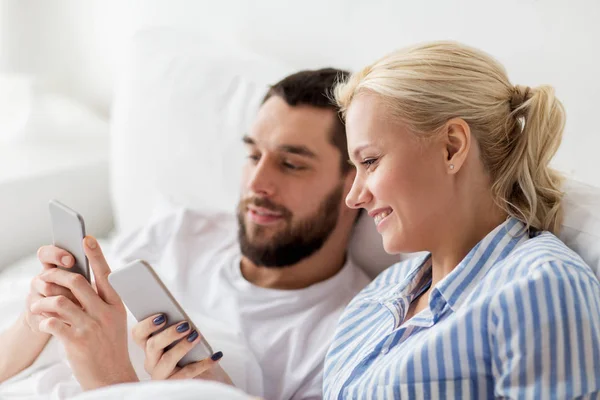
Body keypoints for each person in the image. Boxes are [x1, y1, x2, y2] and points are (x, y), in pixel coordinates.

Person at [0, 68, 370, 400]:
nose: (257, 184)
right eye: (254, 156)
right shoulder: (181, 232)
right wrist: (37, 319)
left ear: (353, 183)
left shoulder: (346, 336)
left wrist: (109, 377)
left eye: (291, 164)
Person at [323, 42, 600, 399]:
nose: (354, 196)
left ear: (452, 146)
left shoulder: (540, 285)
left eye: (371, 161)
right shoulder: (378, 298)